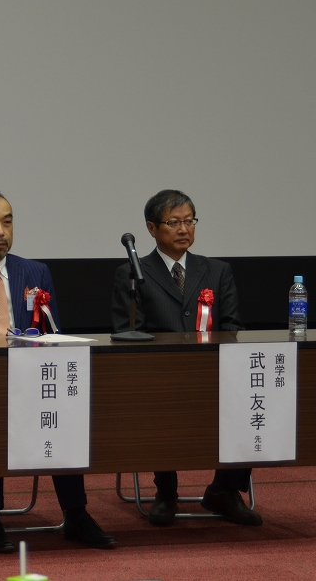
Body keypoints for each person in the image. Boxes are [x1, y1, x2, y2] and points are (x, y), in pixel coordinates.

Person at [0, 190, 117, 552]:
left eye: (7, 222)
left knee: (62, 410)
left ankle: (76, 514)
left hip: (34, 379)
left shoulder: (35, 272)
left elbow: (53, 331)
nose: (0, 231)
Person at [111, 189, 259, 527]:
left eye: (189, 221)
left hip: (215, 373)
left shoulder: (216, 270)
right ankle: (166, 493)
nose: (183, 229)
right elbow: (126, 331)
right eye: (173, 222)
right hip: (159, 375)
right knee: (160, 401)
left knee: (253, 400)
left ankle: (224, 490)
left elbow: (232, 327)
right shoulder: (133, 272)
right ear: (151, 228)